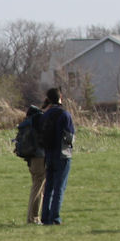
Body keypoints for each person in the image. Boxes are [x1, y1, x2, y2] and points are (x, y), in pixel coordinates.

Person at [38, 88, 75, 224]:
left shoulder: (45, 115)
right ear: (60, 97)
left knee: (48, 187)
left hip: (48, 154)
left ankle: (45, 216)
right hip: (62, 154)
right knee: (59, 187)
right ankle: (55, 217)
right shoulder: (64, 114)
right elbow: (69, 136)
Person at [18, 104, 48, 224]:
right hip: (39, 157)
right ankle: (33, 218)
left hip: (30, 158)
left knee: (36, 186)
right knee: (38, 188)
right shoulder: (39, 120)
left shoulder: (27, 123)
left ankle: (32, 217)